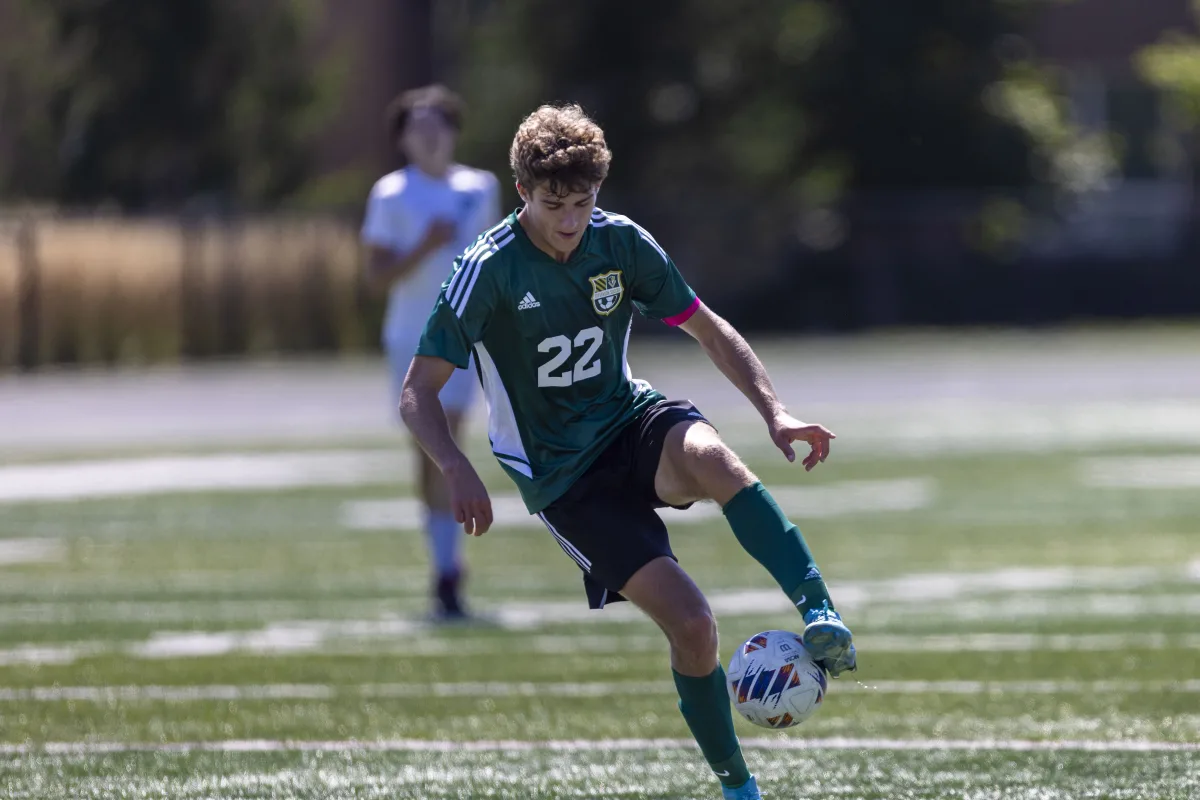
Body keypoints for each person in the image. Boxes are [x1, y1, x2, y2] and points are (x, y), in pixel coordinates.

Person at [400, 103, 855, 800]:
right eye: (555, 203)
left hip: (627, 418)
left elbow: (707, 329)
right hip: (562, 477)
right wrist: (457, 467)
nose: (571, 220)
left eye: (583, 202)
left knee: (716, 461)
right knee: (694, 625)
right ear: (522, 191)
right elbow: (418, 392)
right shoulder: (485, 269)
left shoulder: (621, 244)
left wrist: (776, 412)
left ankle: (820, 612)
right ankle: (739, 787)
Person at [360, 84, 500, 620]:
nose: (427, 135)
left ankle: (448, 572)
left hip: (465, 337)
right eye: (416, 127)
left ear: (453, 131)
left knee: (453, 435)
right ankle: (444, 565)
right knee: (429, 452)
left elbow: (495, 266)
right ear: (402, 139)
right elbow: (375, 278)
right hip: (411, 339)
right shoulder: (391, 194)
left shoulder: (480, 187)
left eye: (436, 124)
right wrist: (422, 245)